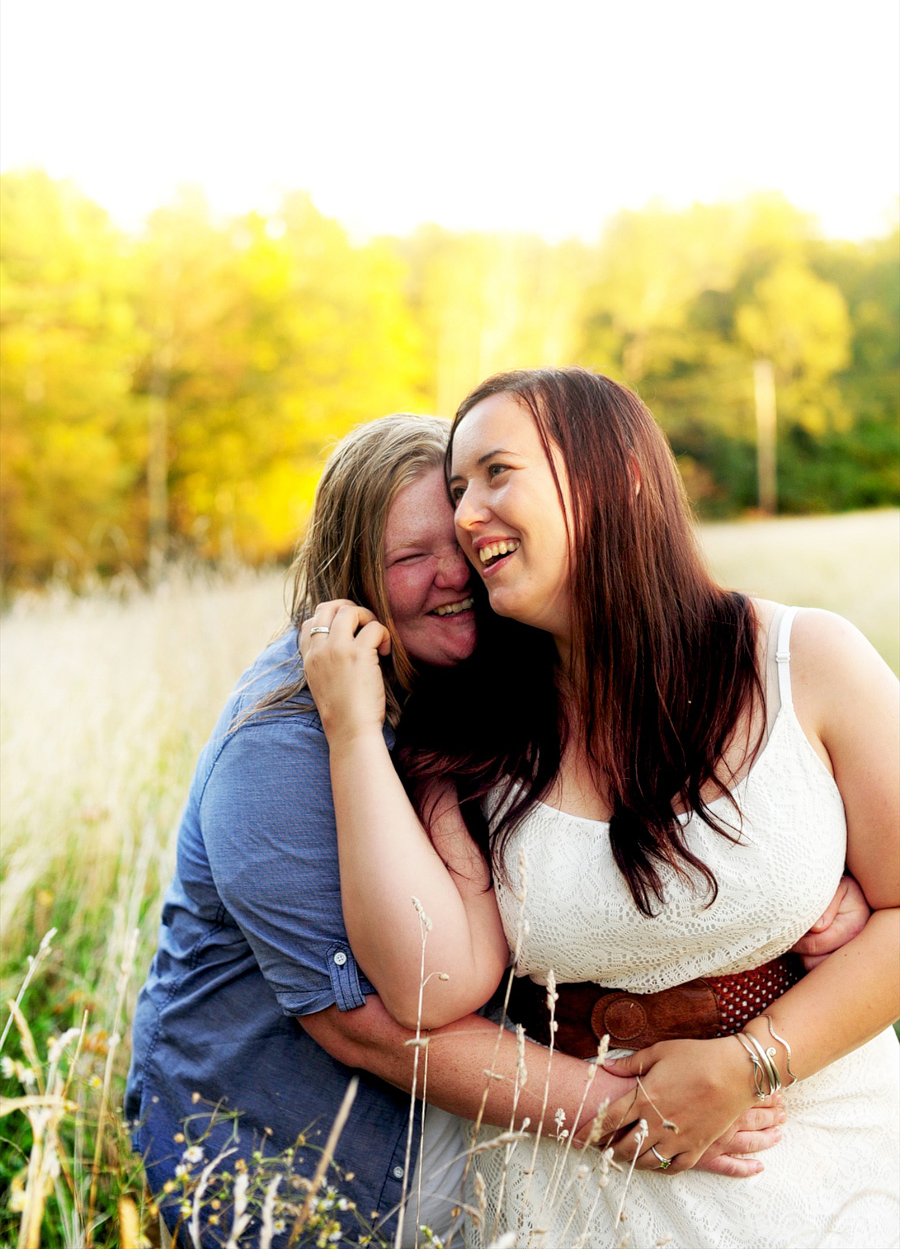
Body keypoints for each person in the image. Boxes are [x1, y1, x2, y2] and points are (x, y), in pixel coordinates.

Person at [129, 412, 811, 1248]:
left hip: (473, 1138)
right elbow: (367, 1025)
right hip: (287, 1157)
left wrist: (818, 892)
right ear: (352, 579)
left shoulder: (496, 675)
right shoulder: (282, 745)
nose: (454, 576)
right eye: (410, 559)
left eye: (462, 542)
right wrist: (645, 1110)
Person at [302, 369, 899, 1249]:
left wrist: (749, 1062)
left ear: (615, 471)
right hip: (575, 1195)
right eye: (458, 489)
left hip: (819, 1157)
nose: (467, 515)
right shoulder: (471, 738)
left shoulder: (805, 660)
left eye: (496, 473)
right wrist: (351, 733)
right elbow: (427, 983)